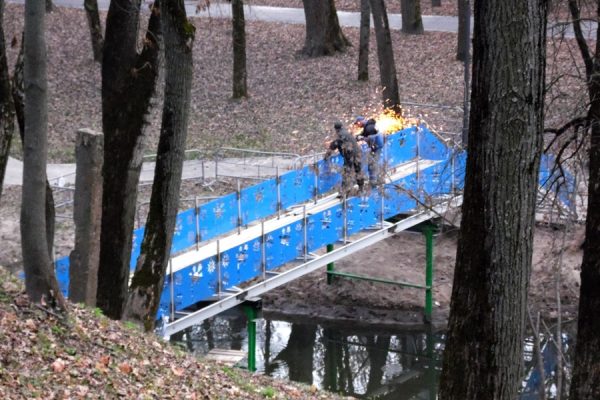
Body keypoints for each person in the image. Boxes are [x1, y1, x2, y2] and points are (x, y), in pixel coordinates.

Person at [324, 121, 364, 197]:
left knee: (346, 173)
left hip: (350, 155)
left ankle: (344, 192)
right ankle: (361, 188)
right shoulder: (347, 133)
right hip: (357, 153)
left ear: (336, 129)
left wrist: (327, 155)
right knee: (358, 170)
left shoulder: (340, 135)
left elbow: (334, 145)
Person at [354, 116, 384, 187]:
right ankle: (378, 179)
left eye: (358, 123)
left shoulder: (369, 127)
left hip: (375, 147)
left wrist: (362, 138)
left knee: (372, 164)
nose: (358, 125)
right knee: (374, 163)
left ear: (360, 121)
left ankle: (374, 181)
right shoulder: (369, 126)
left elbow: (370, 138)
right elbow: (364, 134)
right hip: (377, 146)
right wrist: (359, 136)